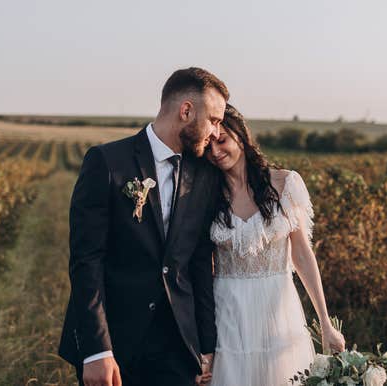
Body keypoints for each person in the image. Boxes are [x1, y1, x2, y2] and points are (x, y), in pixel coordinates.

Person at [58, 67, 228, 386]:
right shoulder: (107, 162)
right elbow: (86, 261)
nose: (217, 132)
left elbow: (200, 264)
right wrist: (97, 351)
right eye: (215, 120)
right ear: (186, 111)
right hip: (115, 343)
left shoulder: (204, 176)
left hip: (177, 345)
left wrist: (206, 347)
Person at [203, 104, 346, 386]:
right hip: (227, 311)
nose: (216, 153)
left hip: (277, 310)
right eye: (208, 147)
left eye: (222, 141)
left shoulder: (284, 184)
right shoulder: (206, 194)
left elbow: (303, 256)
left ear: (241, 138)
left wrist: (326, 325)